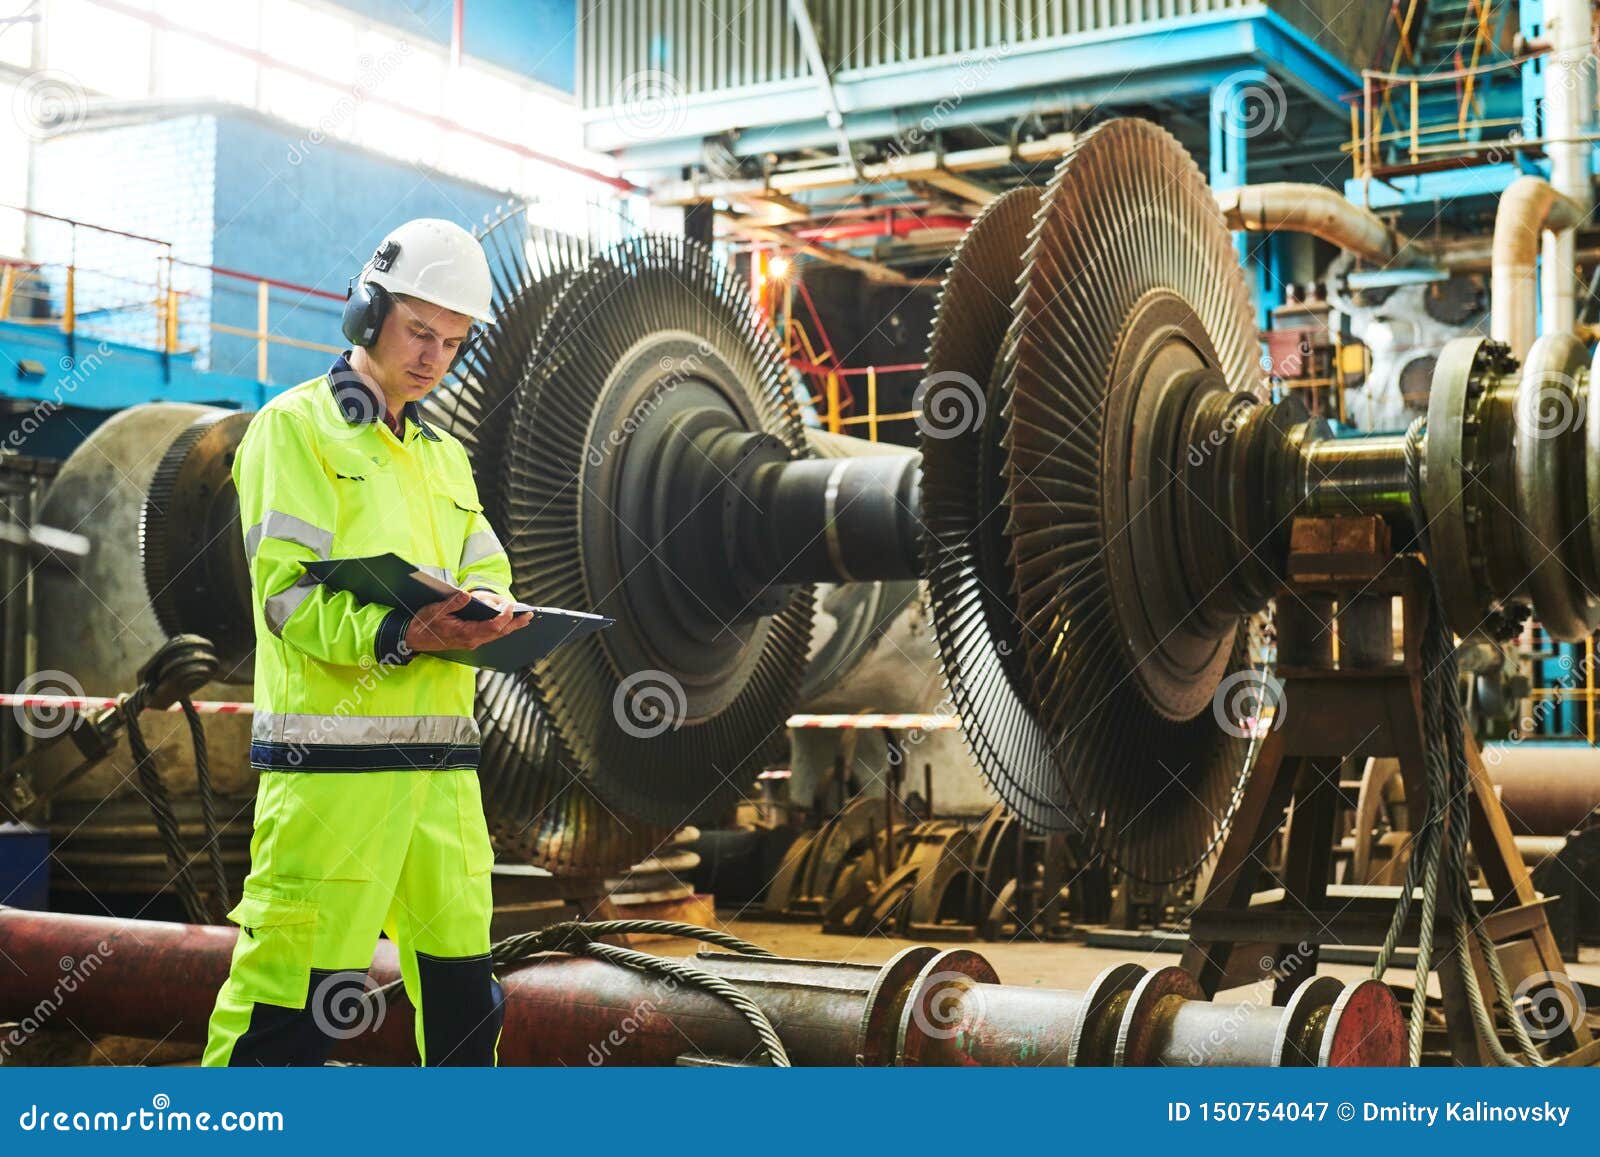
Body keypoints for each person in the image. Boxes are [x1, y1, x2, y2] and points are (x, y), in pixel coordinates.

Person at [203, 218, 528, 1066]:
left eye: (453, 343)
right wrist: (398, 629)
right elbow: (285, 597)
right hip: (333, 784)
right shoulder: (295, 430)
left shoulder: (444, 459)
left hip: (445, 787)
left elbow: (488, 567)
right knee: (287, 1015)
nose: (433, 357)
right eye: (421, 331)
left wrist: (493, 613)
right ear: (365, 311)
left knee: (467, 1012)